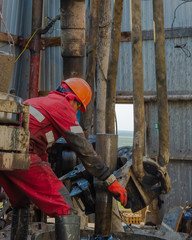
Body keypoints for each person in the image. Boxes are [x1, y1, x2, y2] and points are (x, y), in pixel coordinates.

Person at [0, 78, 127, 240]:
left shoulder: (37, 102)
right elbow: (83, 148)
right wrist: (109, 179)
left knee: (20, 203)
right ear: (73, 99)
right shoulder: (63, 106)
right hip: (22, 155)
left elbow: (38, 146)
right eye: (79, 107)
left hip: (5, 157)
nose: (77, 111)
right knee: (64, 206)